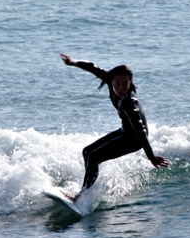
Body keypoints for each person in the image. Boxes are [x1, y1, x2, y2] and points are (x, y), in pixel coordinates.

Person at [60, 53, 169, 199]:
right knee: (87, 152)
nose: (120, 88)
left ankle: (82, 196)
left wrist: (151, 156)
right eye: (117, 83)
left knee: (93, 156)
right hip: (125, 130)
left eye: (125, 84)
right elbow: (92, 67)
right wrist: (72, 62)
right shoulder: (110, 81)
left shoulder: (130, 104)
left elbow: (141, 131)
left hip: (135, 138)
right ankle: (88, 189)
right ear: (112, 80)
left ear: (130, 83)